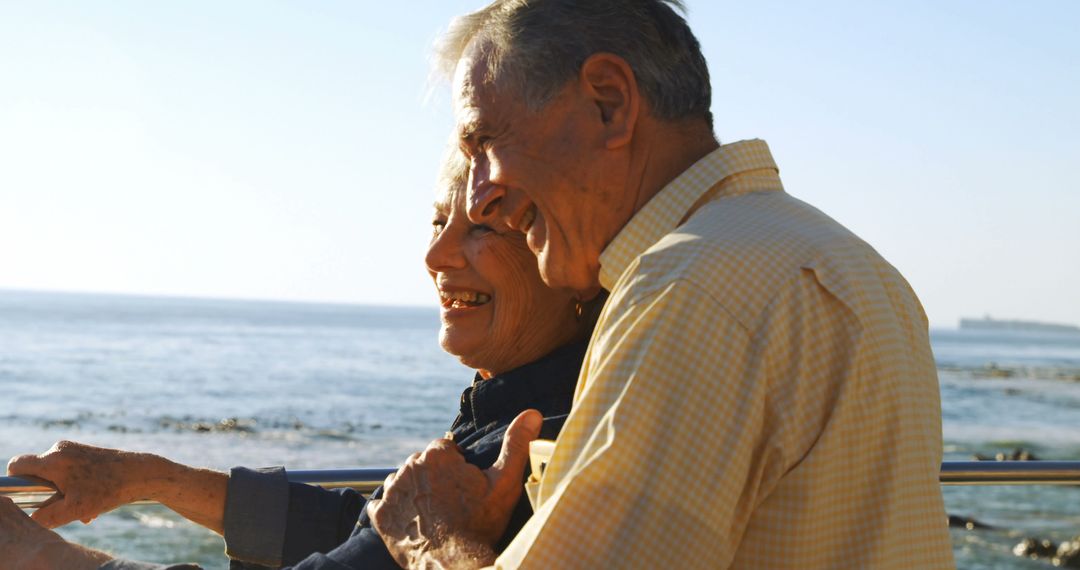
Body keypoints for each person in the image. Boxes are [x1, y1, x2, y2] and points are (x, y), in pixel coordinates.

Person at [364, 1, 956, 568]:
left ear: (609, 103)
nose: (482, 194)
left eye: (486, 142)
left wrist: (433, 540)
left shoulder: (688, 291)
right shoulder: (853, 264)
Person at [0, 154, 605, 569]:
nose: (435, 254)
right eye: (438, 220)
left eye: (483, 227)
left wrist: (43, 556)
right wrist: (145, 478)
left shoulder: (545, 436)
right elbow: (367, 532)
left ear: (571, 261)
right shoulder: (514, 406)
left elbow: (382, 547)